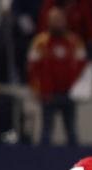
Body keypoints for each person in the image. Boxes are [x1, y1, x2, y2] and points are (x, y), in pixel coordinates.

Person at [28, 7, 87, 146]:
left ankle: (76, 162)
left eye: (59, 20)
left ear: (65, 21)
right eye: (54, 20)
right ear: (48, 22)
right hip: (48, 94)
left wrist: (79, 90)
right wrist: (37, 90)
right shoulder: (40, 42)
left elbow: (83, 67)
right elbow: (32, 68)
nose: (57, 23)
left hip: (69, 93)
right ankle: (43, 161)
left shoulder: (74, 41)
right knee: (46, 130)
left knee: (71, 130)